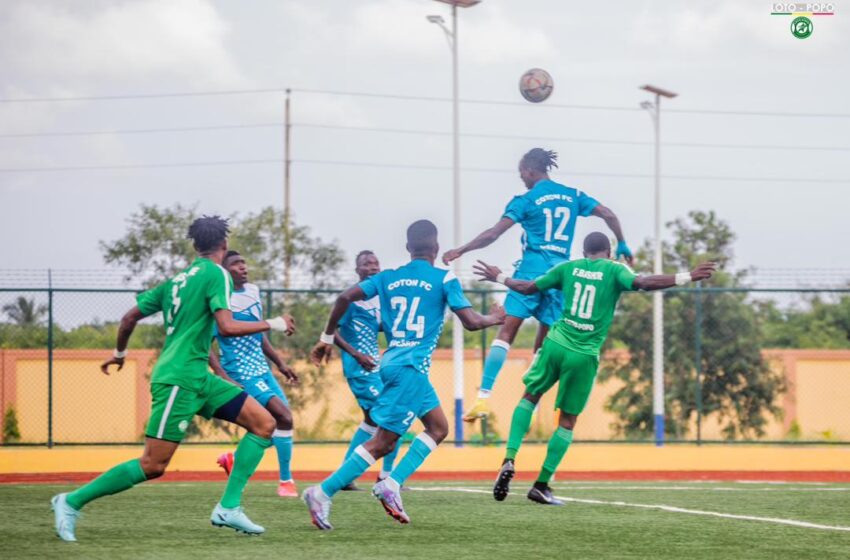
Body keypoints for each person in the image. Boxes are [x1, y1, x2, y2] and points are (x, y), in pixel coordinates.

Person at [51, 216, 294, 541]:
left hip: (199, 377)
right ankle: (70, 501)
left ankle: (229, 507)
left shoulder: (175, 281)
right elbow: (226, 327)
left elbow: (129, 317)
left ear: (195, 246)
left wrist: (120, 354)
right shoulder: (217, 274)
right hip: (179, 380)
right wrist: (274, 323)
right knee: (153, 465)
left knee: (264, 424)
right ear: (224, 245)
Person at [473, 232, 716, 505]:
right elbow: (644, 283)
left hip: (555, 343)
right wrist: (688, 276)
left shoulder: (568, 268)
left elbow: (528, 287)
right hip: (583, 354)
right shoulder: (614, 270)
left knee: (530, 397)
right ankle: (541, 485)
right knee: (567, 421)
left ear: (584, 252)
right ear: (608, 252)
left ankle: (509, 458)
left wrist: (499, 277)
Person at [302, 220, 505, 530]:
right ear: (436, 248)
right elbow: (472, 322)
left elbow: (343, 298)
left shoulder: (388, 277)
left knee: (438, 427)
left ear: (408, 248)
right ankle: (321, 492)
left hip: (395, 363)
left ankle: (391, 483)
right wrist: (495, 317)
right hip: (410, 367)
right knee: (383, 442)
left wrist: (327, 338)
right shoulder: (444, 277)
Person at [441, 148, 633, 423]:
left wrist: (461, 249)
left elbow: (494, 234)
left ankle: (483, 397)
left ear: (530, 170)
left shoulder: (526, 200)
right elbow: (608, 214)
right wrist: (622, 242)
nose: (522, 179)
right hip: (560, 276)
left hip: (530, 271)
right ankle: (529, 403)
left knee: (507, 330)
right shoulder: (572, 195)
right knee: (544, 339)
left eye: (522, 174)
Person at [209, 250, 300, 498]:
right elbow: (205, 343)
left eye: (243, 262)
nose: (243, 267)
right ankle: (286, 481)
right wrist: (221, 374)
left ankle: (234, 458)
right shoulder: (219, 299)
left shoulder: (253, 291)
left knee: (279, 424)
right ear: (225, 271)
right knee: (284, 417)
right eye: (235, 264)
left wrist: (280, 364)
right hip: (241, 373)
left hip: (262, 370)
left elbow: (259, 333)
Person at [330, 250, 401, 490]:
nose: (372, 267)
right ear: (357, 270)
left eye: (375, 263)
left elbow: (373, 327)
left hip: (376, 368)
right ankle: (386, 477)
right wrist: (356, 354)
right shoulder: (349, 300)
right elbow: (331, 331)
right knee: (393, 415)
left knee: (372, 421)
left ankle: (346, 475)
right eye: (366, 263)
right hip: (359, 370)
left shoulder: (376, 300)